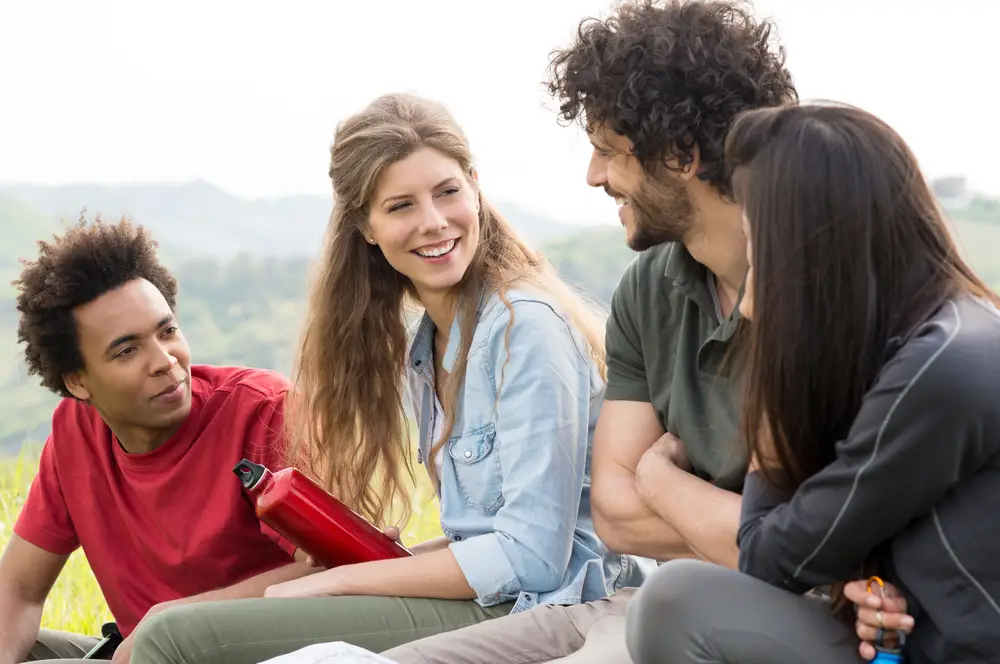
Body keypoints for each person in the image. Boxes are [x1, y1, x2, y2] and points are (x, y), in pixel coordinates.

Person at [129, 92, 649, 664]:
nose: (433, 222)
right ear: (366, 227)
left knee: (174, 639)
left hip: (557, 603)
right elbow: (479, 540)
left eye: (448, 192)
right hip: (501, 597)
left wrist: (339, 583)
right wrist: (362, 566)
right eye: (401, 205)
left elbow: (531, 557)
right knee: (191, 625)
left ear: (476, 187)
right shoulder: (428, 349)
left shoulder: (524, 329)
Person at [376, 1, 800, 662]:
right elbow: (616, 514)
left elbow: (796, 545)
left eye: (606, 151)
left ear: (682, 155)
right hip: (654, 600)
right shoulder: (646, 292)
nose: (593, 175)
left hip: (761, 611)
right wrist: (712, 523)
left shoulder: (811, 287)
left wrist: (661, 483)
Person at [625, 103, 1000, 664]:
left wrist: (654, 478)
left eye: (760, 249)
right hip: (918, 642)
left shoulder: (941, 371)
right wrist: (876, 590)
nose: (752, 286)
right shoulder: (944, 338)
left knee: (675, 602)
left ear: (810, 253)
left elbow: (768, 552)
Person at [0, 218, 315, 664]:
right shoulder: (76, 431)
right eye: (127, 350)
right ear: (78, 382)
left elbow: (328, 570)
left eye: (167, 332)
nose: (165, 361)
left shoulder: (262, 411)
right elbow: (18, 589)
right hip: (140, 652)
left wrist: (172, 621)